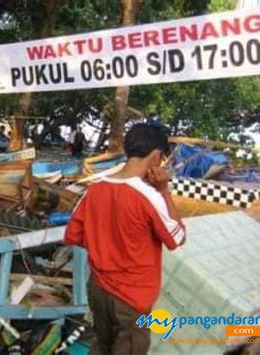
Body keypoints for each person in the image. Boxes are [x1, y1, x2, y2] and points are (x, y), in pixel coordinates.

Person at [64, 123, 186, 355]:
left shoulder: (94, 189)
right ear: (156, 156)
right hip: (132, 297)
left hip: (99, 288)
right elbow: (177, 238)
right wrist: (164, 190)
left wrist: (106, 247)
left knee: (102, 343)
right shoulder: (149, 195)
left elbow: (73, 235)